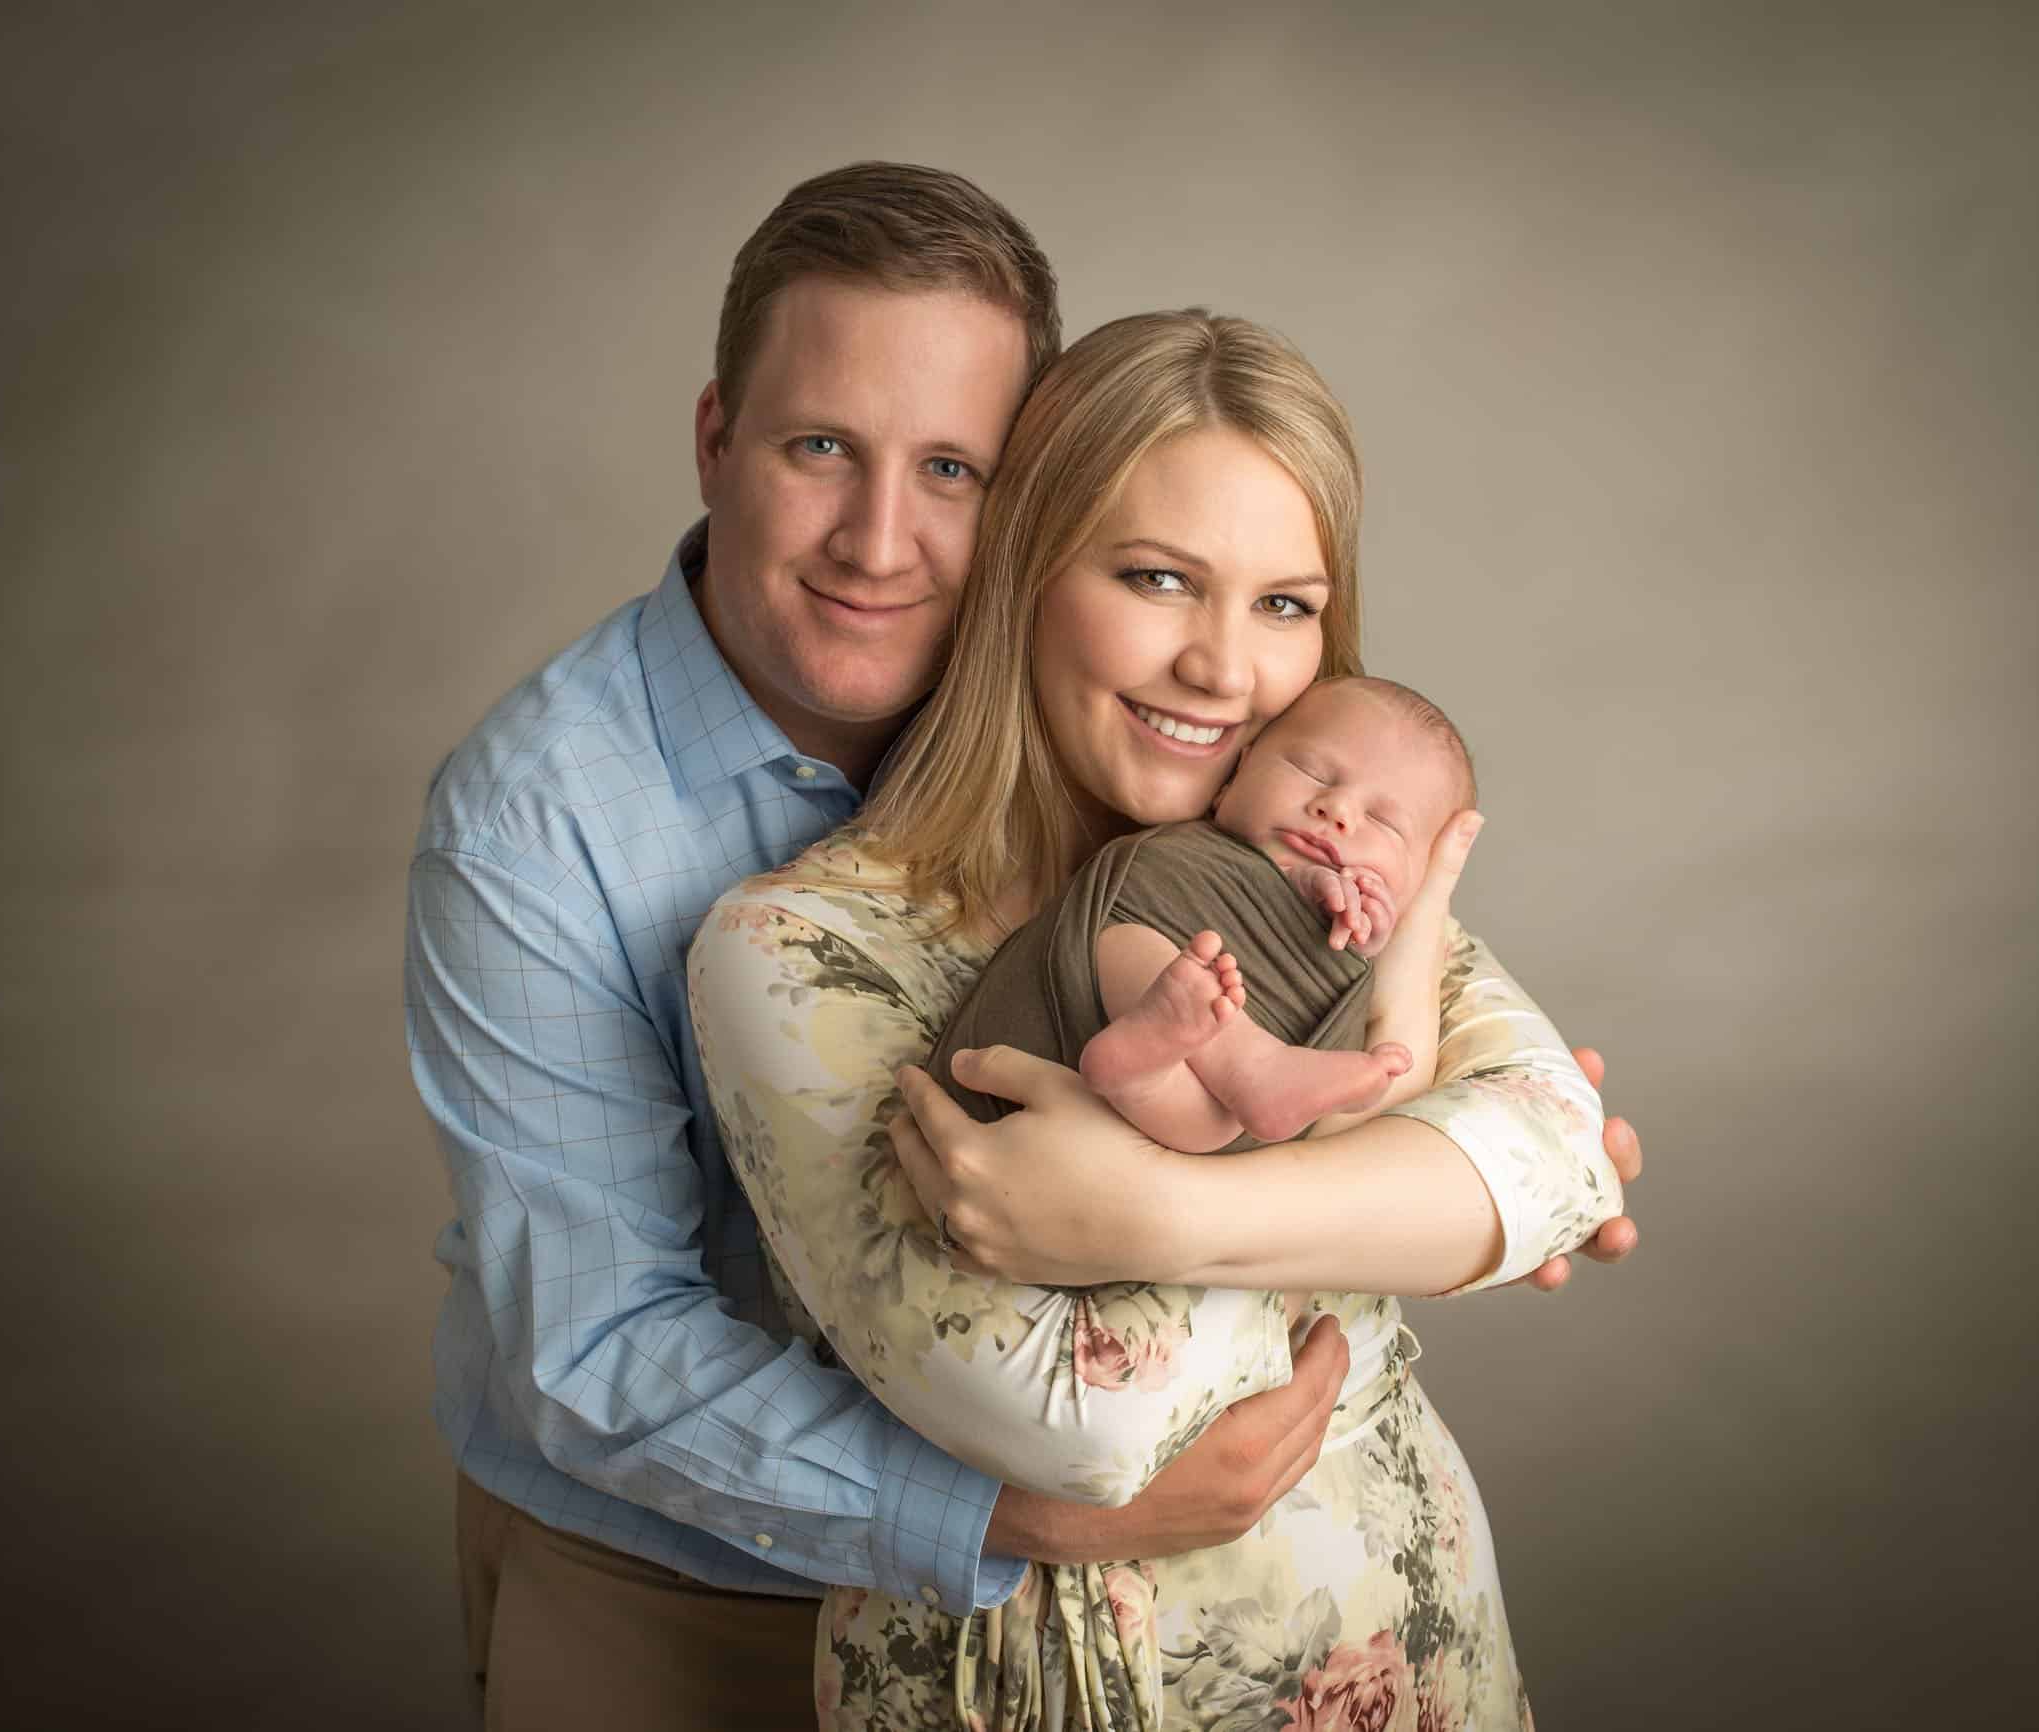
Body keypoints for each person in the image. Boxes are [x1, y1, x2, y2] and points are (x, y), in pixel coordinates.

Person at [406, 162, 1639, 1730]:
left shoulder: (1190, 786)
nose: (882, 541)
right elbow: (599, 1346)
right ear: (718, 435)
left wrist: (1194, 1206)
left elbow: (1547, 1155)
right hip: (678, 1572)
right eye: (820, 448)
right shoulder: (545, 823)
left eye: (954, 471)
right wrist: (1391, 1212)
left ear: (1019, 502)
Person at [687, 310, 1623, 1729]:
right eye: (1157, 580)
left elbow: (1560, 1168)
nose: (1224, 671)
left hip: (1413, 1638)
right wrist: (1395, 1223)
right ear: (1025, 568)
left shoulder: (1323, 868)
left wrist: (1144, 1217)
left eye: (1285, 606)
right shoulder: (799, 947)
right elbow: (1083, 1424)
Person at [930, 674, 1478, 1154]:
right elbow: (1156, 901)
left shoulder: (1416, 953)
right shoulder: (1193, 862)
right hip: (1044, 1037)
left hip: (1168, 1134)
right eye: (1311, 772)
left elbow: (1338, 979)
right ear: (1235, 775)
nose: (1337, 811)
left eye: (1383, 822)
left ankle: (1139, 1072)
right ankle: (1246, 1064)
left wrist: (1371, 938)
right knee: (1134, 945)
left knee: (1214, 1121)